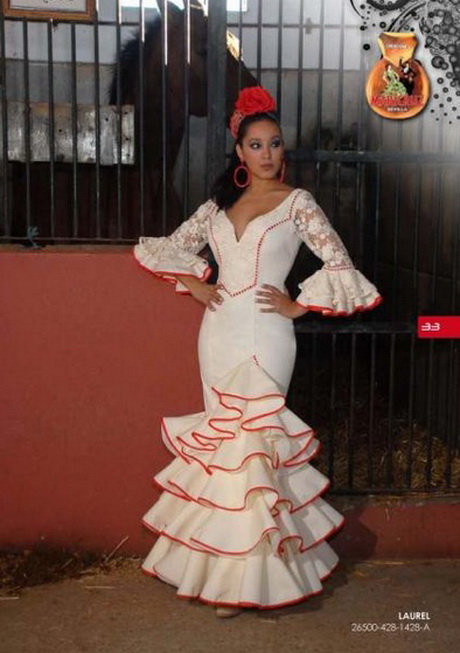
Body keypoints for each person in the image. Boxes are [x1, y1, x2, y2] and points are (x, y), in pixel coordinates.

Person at [133, 86, 383, 618]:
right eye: (256, 145)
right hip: (218, 333)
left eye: (274, 144)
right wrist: (195, 284)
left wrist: (298, 306)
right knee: (226, 450)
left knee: (257, 448)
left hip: (268, 336)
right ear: (240, 152)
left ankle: (250, 581)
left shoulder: (298, 203)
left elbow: (337, 260)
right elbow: (172, 246)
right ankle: (220, 573)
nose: (268, 153)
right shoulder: (219, 204)